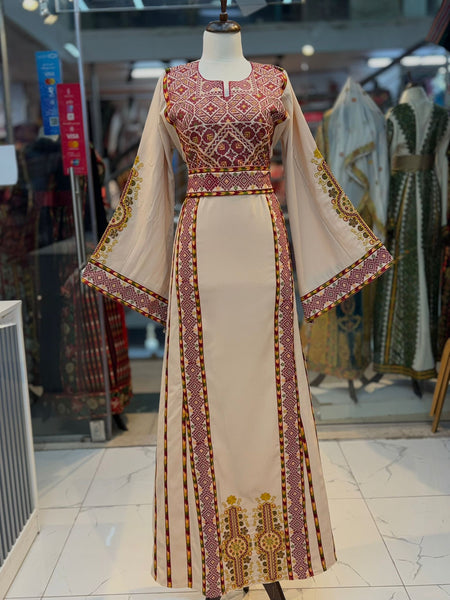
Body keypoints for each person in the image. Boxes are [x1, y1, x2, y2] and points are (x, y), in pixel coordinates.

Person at [82, 8, 392, 600]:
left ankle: (270, 551)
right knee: (206, 391)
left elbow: (307, 171)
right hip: (200, 251)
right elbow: (150, 179)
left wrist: (342, 248)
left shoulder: (276, 81)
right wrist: (134, 260)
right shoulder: (172, 84)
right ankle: (213, 557)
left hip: (261, 250)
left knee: (268, 389)